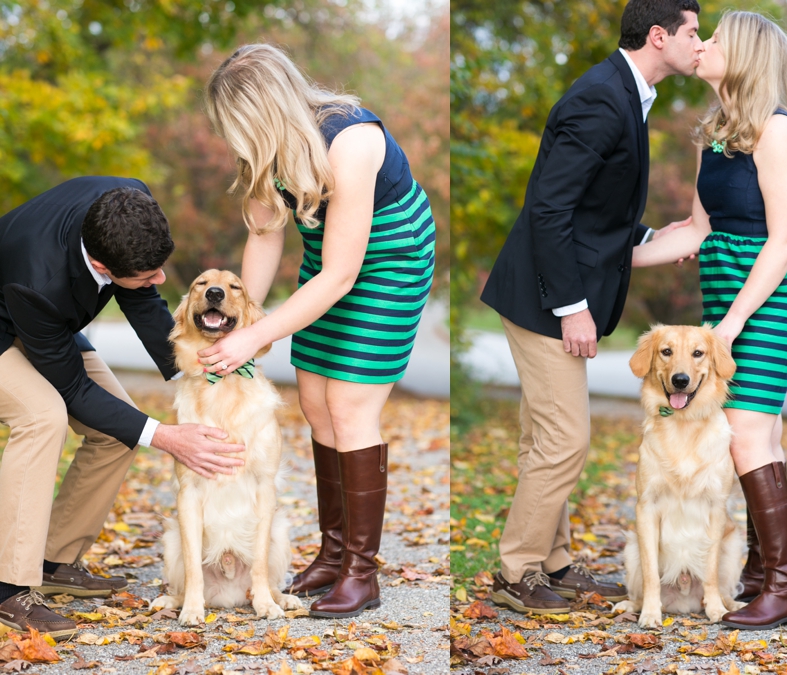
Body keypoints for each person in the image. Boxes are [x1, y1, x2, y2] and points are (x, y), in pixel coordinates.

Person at [479, 0, 705, 615]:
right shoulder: (603, 98)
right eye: (692, 32)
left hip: (547, 289)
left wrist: (651, 237)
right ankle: (516, 572)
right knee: (565, 442)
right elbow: (549, 208)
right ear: (659, 36)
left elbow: (591, 213)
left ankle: (554, 564)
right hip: (544, 299)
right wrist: (572, 307)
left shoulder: (627, 95)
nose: (699, 43)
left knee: (542, 439)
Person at [199, 44, 436, 618]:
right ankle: (332, 555)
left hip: (390, 259)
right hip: (331, 257)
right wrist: (246, 320)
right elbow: (264, 236)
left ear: (264, 112)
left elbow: (341, 275)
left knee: (349, 404)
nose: (235, 139)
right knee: (313, 398)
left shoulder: (351, 140)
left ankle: (361, 572)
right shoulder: (264, 153)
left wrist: (255, 338)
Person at [632, 11, 787, 629]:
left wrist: (730, 326)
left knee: (745, 433)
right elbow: (698, 231)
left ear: (747, 56)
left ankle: (784, 590)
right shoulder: (718, 135)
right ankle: (764, 575)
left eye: (716, 39)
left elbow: (785, 239)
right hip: (727, 297)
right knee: (765, 432)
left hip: (768, 294)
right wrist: (610, 260)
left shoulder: (778, 132)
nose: (702, 45)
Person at [0, 177, 246, 637]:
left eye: (161, 266)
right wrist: (166, 437)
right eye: (147, 273)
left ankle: (54, 560)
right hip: (17, 314)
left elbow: (146, 302)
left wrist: (199, 378)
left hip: (44, 322)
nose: (161, 279)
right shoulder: (38, 279)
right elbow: (72, 390)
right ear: (99, 264)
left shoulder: (129, 201)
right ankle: (8, 587)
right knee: (43, 416)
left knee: (119, 426)